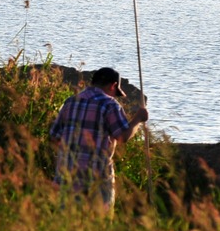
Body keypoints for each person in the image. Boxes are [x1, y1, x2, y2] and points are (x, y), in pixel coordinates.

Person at [49, 67, 149, 211]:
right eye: (116, 93)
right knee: (98, 228)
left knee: (66, 228)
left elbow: (54, 136)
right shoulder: (110, 105)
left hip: (66, 179)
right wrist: (138, 119)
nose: (115, 96)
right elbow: (122, 136)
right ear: (113, 86)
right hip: (96, 182)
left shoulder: (70, 102)